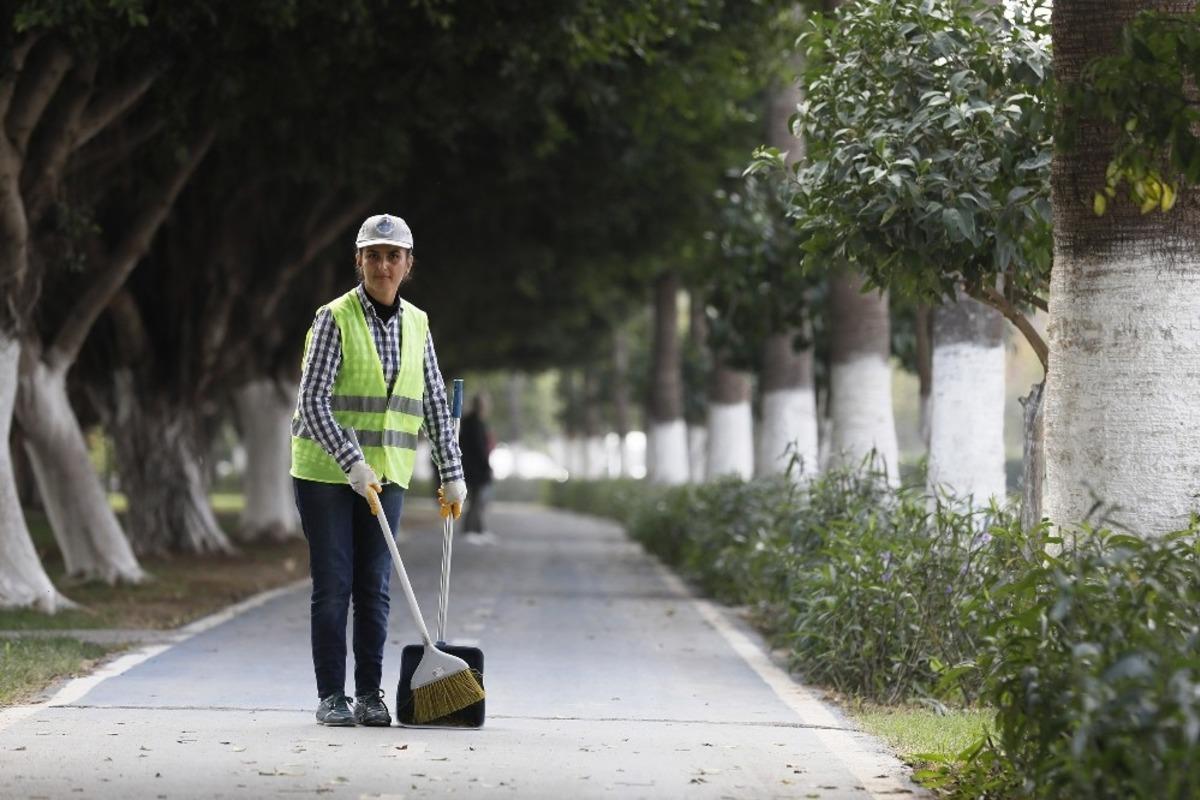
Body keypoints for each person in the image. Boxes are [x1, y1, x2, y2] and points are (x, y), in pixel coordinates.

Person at [290, 213, 467, 727]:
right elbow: (312, 401)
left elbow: (434, 399)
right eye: (374, 255)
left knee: (376, 585)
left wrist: (451, 472)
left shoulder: (418, 323)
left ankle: (370, 694)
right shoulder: (334, 318)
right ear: (359, 261)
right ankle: (331, 697)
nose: (383, 265)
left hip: (387, 474)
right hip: (326, 474)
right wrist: (351, 463)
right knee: (335, 584)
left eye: (393, 256)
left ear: (408, 264)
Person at [458, 393, 495, 542]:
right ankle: (470, 530)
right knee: (476, 501)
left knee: (477, 501)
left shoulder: (471, 422)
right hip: (475, 470)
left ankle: (478, 529)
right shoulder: (474, 423)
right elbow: (479, 449)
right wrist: (487, 466)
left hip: (472, 468)